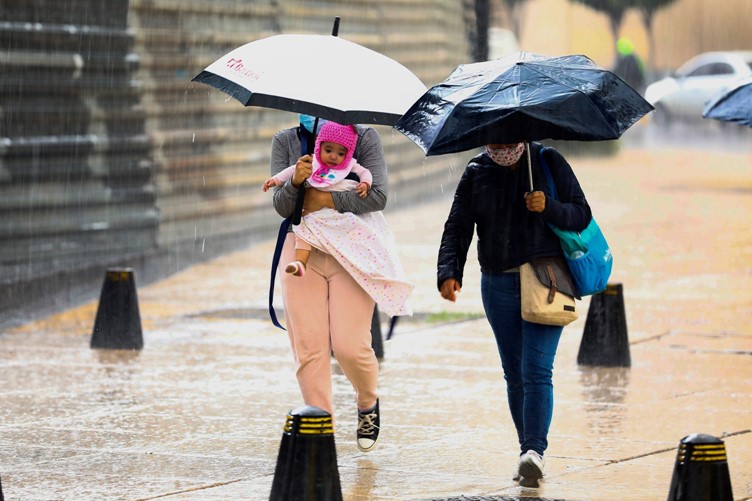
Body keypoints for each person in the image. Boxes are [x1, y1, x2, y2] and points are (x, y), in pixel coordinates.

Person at [437, 141, 591, 486]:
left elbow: (582, 213)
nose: (500, 142)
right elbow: (458, 226)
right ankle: (527, 452)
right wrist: (449, 272)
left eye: (508, 134)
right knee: (514, 373)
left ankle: (534, 451)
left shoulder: (547, 160)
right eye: (493, 135)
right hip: (497, 284)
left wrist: (548, 206)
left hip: (546, 280)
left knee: (536, 369)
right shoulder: (477, 170)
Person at [269, 115, 411, 452]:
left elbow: (377, 197)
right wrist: (295, 184)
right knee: (309, 347)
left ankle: (367, 400)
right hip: (303, 248)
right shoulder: (286, 140)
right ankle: (322, 433)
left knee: (349, 345)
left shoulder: (364, 137)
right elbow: (281, 207)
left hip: (353, 248)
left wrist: (328, 199)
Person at [263, 122, 373, 277]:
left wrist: (365, 183)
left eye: (341, 154)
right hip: (313, 213)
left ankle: (360, 258)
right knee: (303, 227)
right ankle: (300, 263)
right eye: (328, 150)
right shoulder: (311, 161)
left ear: (347, 154)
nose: (334, 156)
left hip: (337, 209)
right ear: (319, 146)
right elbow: (291, 170)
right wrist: (275, 180)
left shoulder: (350, 165)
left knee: (352, 223)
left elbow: (365, 172)